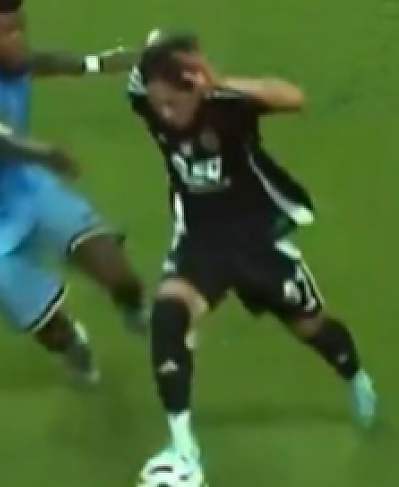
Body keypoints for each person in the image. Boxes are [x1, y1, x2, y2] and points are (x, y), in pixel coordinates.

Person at [128, 32, 377, 465]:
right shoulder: (146, 99)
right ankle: (184, 446)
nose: (163, 114)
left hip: (257, 239)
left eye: (172, 103)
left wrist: (221, 81)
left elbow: (294, 98)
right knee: (168, 316)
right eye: (156, 104)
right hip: (200, 241)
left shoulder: (226, 106)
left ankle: (354, 375)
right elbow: (150, 55)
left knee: (311, 327)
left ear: (195, 87)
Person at [0, 0, 147, 386]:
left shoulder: (7, 59)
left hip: (29, 189)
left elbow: (37, 62)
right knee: (52, 329)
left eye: (20, 28)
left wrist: (97, 64)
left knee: (119, 273)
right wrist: (41, 152)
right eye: (6, 32)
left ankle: (136, 312)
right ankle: (73, 347)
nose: (18, 40)